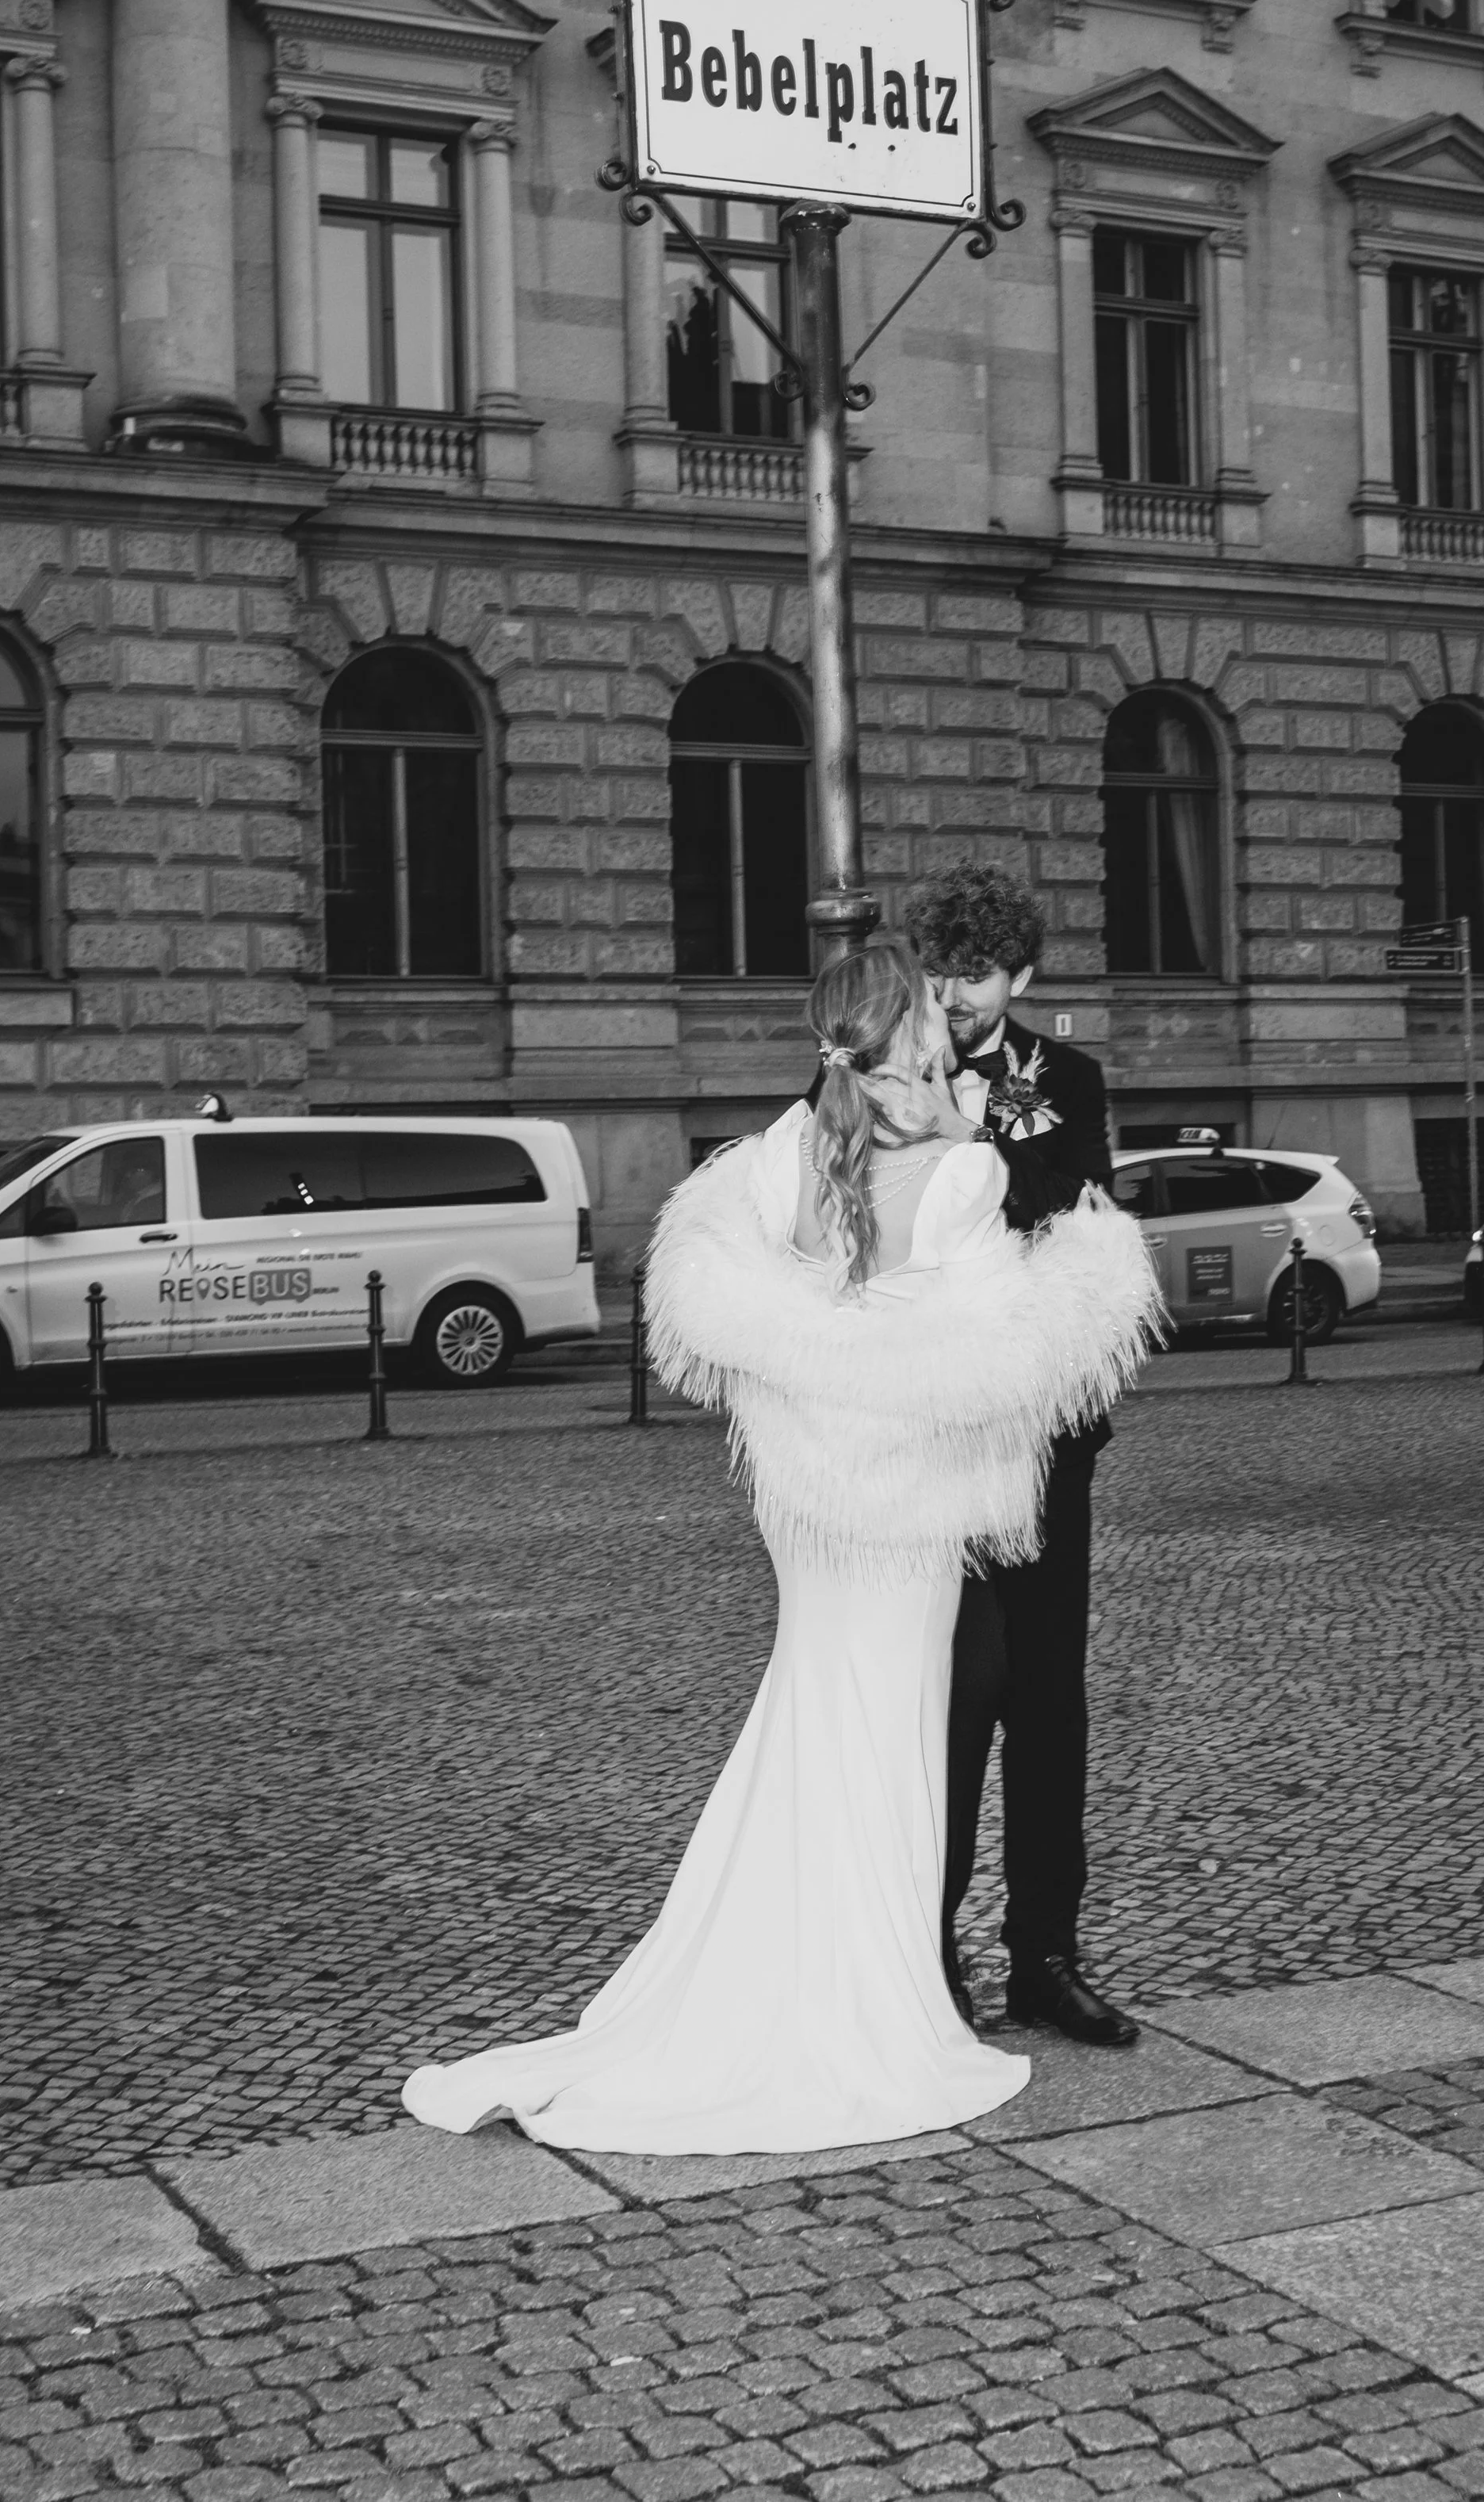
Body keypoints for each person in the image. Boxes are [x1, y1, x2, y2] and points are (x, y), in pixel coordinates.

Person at [402, 935, 1159, 2157]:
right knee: (902, 1728)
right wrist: (1070, 1252)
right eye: (929, 1008)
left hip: (818, 1507)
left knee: (819, 1716)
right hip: (911, 1498)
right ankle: (874, 1993)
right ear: (906, 1033)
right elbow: (992, 1336)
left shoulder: (779, 1153)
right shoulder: (963, 1170)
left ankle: (836, 1965)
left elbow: (783, 1300)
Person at [901, 859, 1136, 2049]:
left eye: (978, 975)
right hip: (935, 1449)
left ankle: (1046, 1954)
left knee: (1050, 1704)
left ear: (1022, 976)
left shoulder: (1070, 1079)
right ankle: (927, 1947)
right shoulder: (878, 1066)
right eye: (940, 971)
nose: (954, 996)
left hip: (1047, 1442)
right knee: (953, 1698)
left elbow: (1069, 1201)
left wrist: (976, 1131)